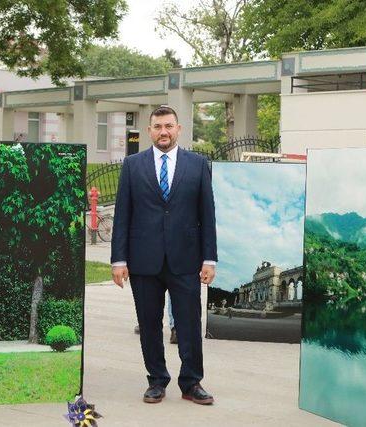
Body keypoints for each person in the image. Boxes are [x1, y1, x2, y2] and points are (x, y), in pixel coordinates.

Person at [111, 105, 217, 405]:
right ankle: (157, 380)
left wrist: (210, 258)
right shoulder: (133, 165)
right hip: (143, 261)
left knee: (189, 323)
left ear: (179, 129)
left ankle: (191, 382)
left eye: (169, 126)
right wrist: (118, 260)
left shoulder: (198, 165)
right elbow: (122, 216)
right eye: (158, 127)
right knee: (149, 324)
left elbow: (207, 214)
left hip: (186, 260)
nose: (164, 132)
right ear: (149, 131)